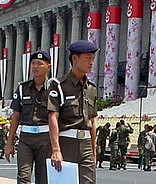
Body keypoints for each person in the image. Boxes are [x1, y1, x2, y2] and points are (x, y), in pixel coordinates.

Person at [47, 40, 99, 184]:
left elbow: (92, 121)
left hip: (86, 143)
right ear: (75, 58)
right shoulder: (58, 85)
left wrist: (94, 150)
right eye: (88, 57)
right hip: (66, 142)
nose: (91, 62)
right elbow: (53, 117)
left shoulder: (91, 88)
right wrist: (56, 149)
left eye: (93, 59)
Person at [4, 51, 51, 184]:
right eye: (33, 63)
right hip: (26, 138)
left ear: (49, 66)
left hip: (45, 139)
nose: (35, 67)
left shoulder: (54, 89)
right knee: (23, 177)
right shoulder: (22, 88)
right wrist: (9, 143)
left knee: (43, 179)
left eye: (39, 64)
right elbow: (15, 117)